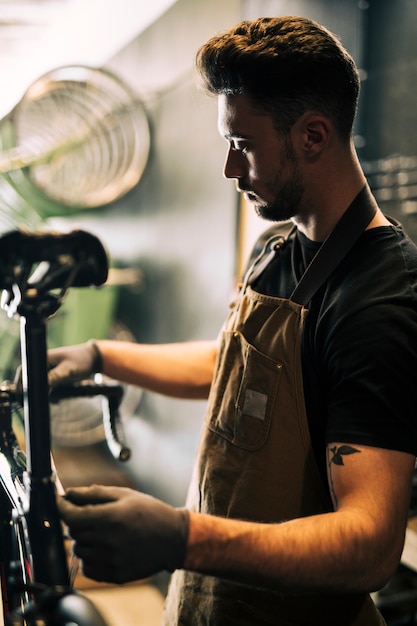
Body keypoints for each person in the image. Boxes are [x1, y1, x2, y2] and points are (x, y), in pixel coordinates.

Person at [50, 15, 417, 626]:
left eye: (242, 145)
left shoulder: (378, 300)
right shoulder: (276, 249)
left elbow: (369, 544)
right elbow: (240, 368)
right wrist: (100, 356)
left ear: (313, 136)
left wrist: (181, 539)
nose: (228, 169)